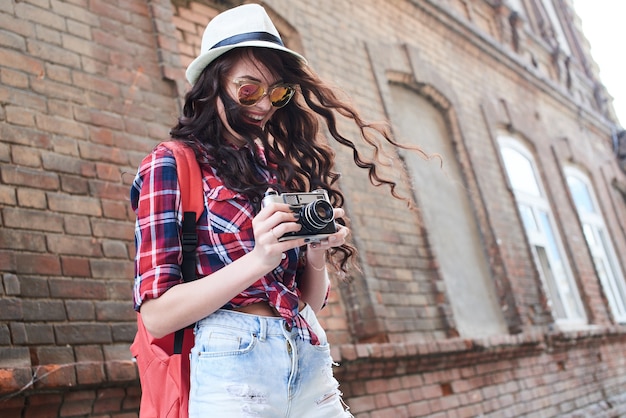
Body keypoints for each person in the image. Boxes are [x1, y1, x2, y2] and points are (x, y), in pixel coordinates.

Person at [131, 3, 420, 417]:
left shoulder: (269, 167)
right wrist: (260, 258)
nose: (264, 105)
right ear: (212, 85)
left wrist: (316, 254)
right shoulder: (172, 164)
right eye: (249, 89)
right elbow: (157, 316)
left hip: (307, 355)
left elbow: (308, 301)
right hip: (233, 366)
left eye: (277, 92)